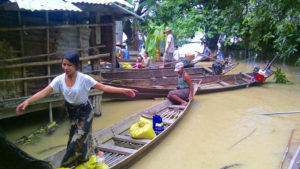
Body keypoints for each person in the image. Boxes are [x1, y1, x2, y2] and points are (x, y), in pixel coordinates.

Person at [16, 52, 138, 168]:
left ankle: (65, 165)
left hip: (85, 111)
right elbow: (44, 92)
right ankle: (98, 153)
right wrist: (28, 101)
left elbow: (103, 87)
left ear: (76, 66)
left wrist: (123, 90)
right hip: (72, 112)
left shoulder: (84, 79)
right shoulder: (59, 80)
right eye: (64, 64)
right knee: (80, 137)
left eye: (69, 65)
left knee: (77, 138)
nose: (66, 67)